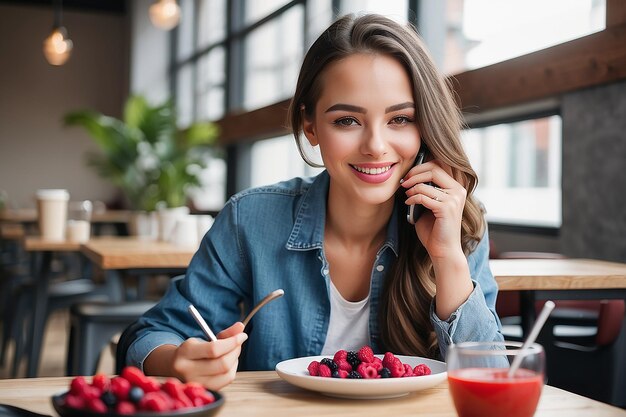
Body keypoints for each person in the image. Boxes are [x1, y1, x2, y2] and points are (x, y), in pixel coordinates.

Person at [118, 13, 503, 390]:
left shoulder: (455, 220)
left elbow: (492, 379)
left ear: (425, 126)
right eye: (347, 121)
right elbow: (153, 334)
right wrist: (178, 361)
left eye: (399, 119)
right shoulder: (249, 220)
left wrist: (448, 257)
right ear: (310, 125)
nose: (375, 146)